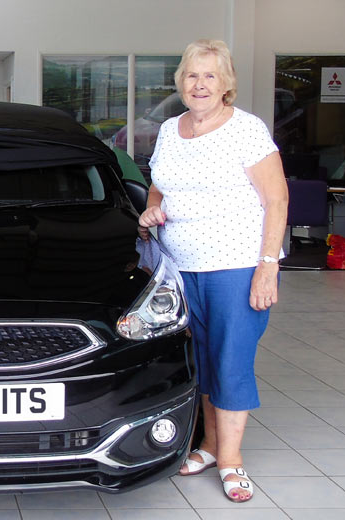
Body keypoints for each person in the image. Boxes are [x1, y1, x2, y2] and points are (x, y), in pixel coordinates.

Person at [137, 39, 287, 503]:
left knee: (231, 361)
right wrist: (151, 211)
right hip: (181, 270)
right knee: (199, 359)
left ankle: (231, 460)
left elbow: (277, 199)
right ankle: (207, 444)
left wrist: (267, 267)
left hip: (236, 266)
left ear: (226, 84)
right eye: (191, 76)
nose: (199, 84)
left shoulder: (246, 130)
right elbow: (159, 189)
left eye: (209, 76)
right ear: (181, 82)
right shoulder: (169, 130)